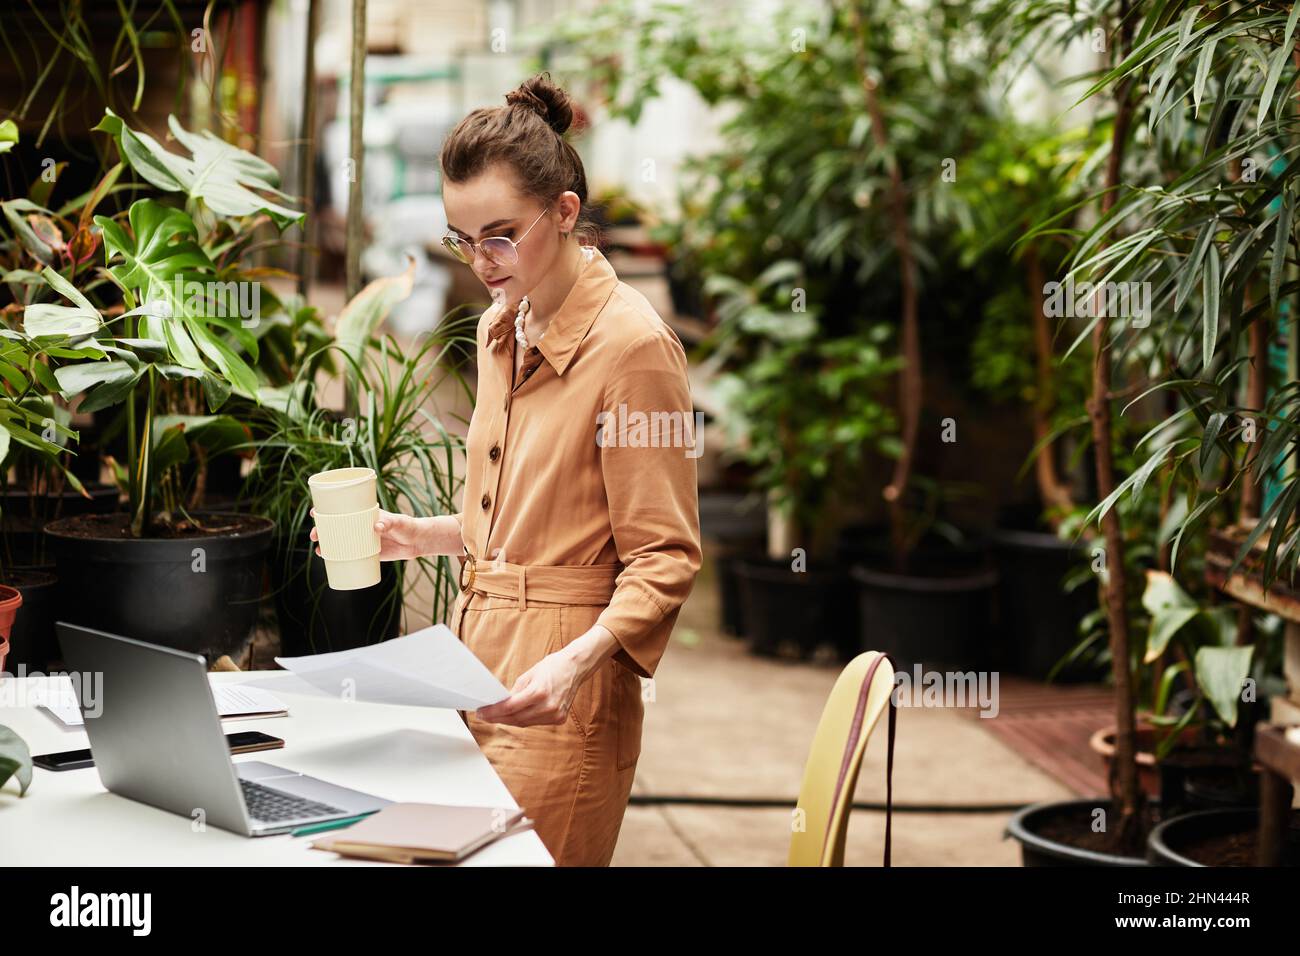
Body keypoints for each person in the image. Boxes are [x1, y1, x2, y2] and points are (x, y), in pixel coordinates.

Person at [314, 72, 702, 866]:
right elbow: (535, 518)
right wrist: (411, 535)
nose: (483, 262)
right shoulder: (503, 328)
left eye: (501, 234)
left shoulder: (632, 350)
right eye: (463, 239)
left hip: (561, 694)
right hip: (469, 659)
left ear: (565, 214)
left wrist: (572, 665)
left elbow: (663, 559)